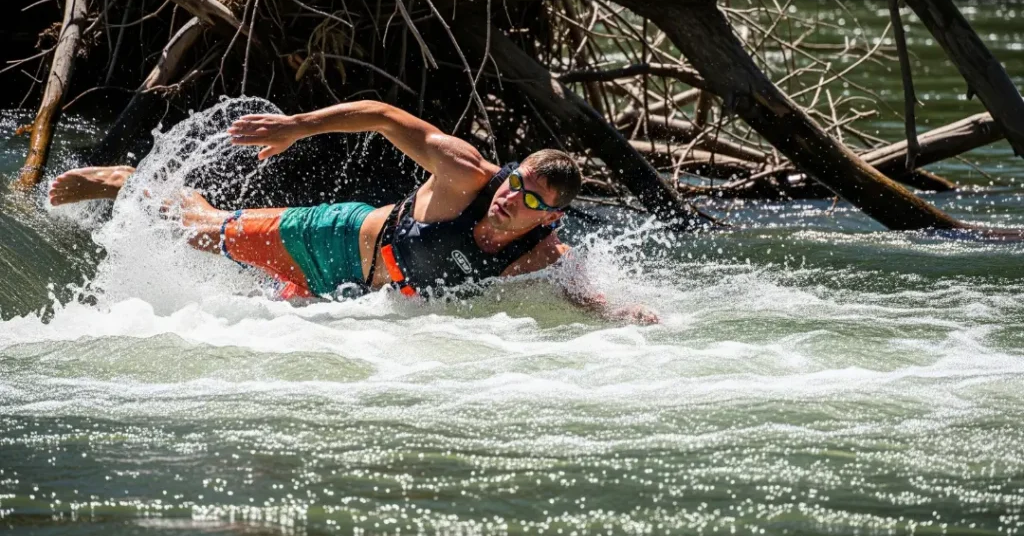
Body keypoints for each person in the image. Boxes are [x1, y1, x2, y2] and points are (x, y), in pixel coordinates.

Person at [49, 100, 657, 323]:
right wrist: (295, 127)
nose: (508, 195)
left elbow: (585, 297)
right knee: (198, 233)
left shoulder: (543, 253)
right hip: (333, 239)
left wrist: (626, 317)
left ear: (548, 218)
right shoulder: (463, 170)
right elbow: (384, 116)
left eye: (528, 199)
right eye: (515, 179)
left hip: (355, 301)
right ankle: (125, 181)